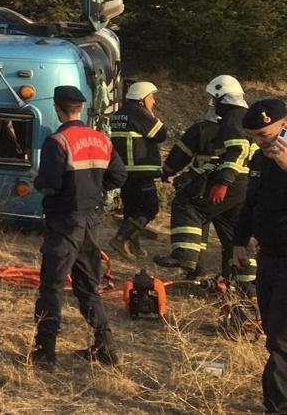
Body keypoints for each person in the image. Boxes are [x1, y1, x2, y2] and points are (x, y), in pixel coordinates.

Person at [28, 85, 127, 368]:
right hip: (91, 221)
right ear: (81, 108)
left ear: (58, 109)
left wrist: (37, 179)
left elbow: (49, 185)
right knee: (88, 285)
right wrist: (95, 190)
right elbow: (119, 176)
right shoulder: (101, 139)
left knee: (52, 285)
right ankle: (105, 346)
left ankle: (45, 352)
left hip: (64, 222)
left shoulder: (58, 142)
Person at [155, 75, 256, 286]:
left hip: (231, 179)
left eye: (215, 99)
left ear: (222, 97)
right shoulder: (246, 117)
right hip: (246, 184)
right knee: (235, 232)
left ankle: (185, 256)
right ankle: (244, 282)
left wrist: (223, 182)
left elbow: (238, 149)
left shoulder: (233, 117)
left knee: (189, 204)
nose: (213, 104)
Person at [236, 98, 287, 414]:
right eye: (254, 136)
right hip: (268, 256)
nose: (260, 142)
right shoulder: (259, 159)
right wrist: (239, 241)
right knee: (272, 330)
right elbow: (250, 203)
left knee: (281, 340)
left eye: (265, 135)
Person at [108, 81, 167, 259]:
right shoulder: (139, 113)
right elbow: (161, 134)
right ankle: (120, 238)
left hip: (123, 172)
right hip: (140, 171)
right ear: (142, 98)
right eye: (151, 97)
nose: (153, 101)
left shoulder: (119, 114)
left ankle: (133, 246)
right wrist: (150, 113)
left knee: (132, 210)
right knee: (149, 208)